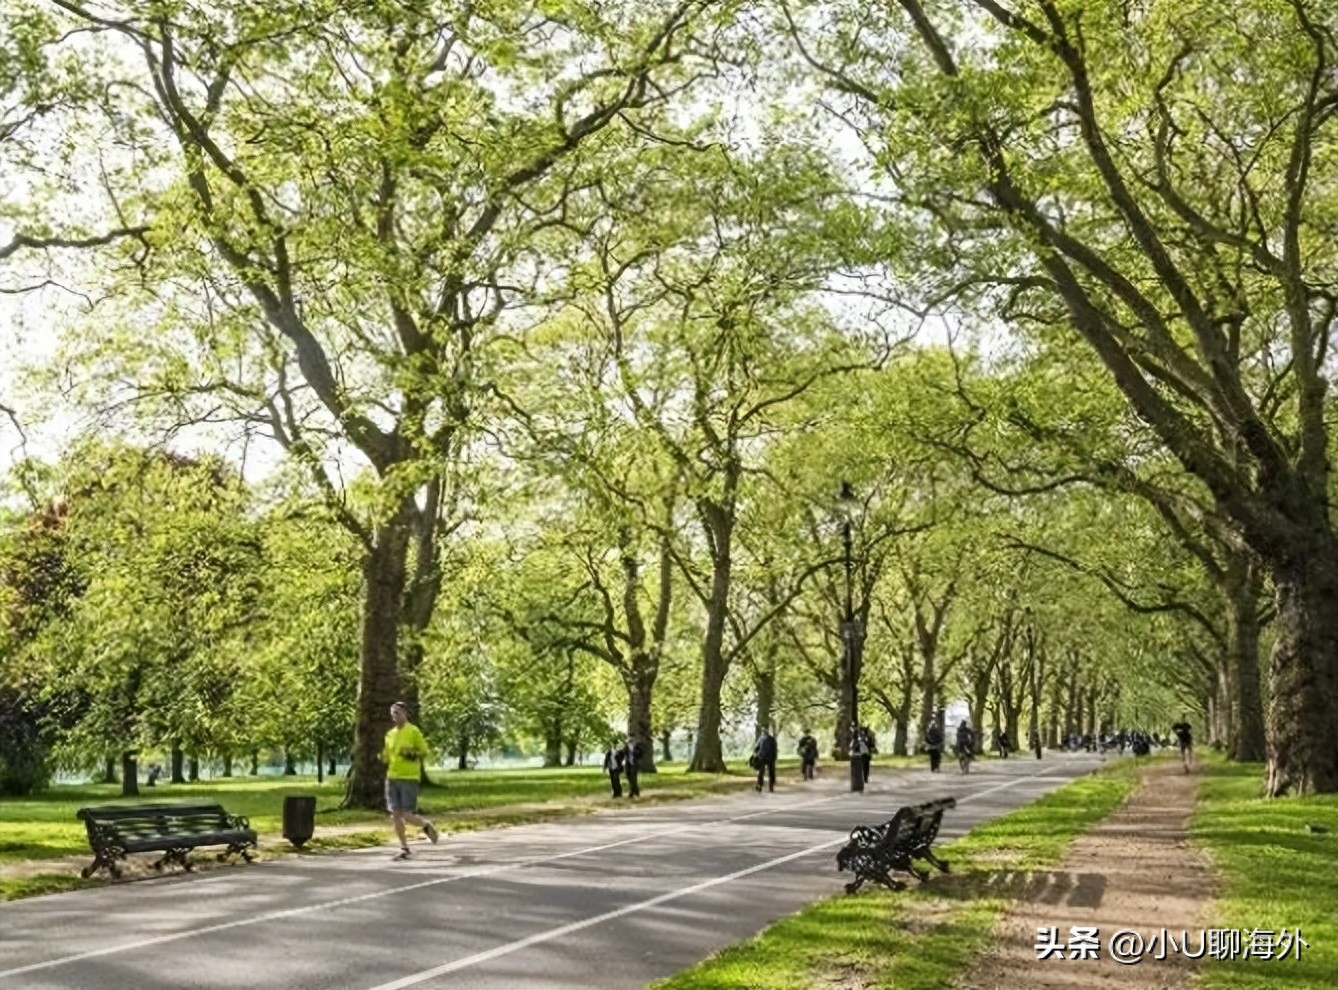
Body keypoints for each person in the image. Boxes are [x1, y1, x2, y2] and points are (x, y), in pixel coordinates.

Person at [382, 701, 440, 859]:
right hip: (392, 777)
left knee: (406, 814)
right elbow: (387, 755)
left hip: (409, 778)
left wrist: (410, 753)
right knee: (395, 814)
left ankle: (426, 825)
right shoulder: (390, 734)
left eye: (398, 713)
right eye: (393, 713)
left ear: (405, 713)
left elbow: (424, 751)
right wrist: (382, 758)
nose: (395, 716)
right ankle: (404, 847)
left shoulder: (413, 731)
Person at [753, 727, 778, 792]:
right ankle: (765, 786)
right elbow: (775, 749)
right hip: (766, 757)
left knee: (764, 772)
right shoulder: (770, 739)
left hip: (765, 757)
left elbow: (756, 749)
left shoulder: (763, 739)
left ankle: (762, 785)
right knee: (766, 772)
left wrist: (756, 753)